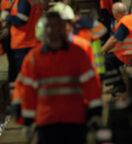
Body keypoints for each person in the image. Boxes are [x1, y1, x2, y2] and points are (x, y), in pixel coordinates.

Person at [17, 11, 103, 144]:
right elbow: (27, 92)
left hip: (73, 119)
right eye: (48, 27)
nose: (52, 30)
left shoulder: (77, 54)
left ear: (63, 28)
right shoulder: (33, 58)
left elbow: (91, 84)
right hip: (48, 121)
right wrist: (27, 121)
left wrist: (96, 111)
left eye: (55, 26)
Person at [6, 0, 44, 76]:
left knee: (25, 76)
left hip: (23, 43)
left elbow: (21, 20)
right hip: (35, 41)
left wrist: (8, 17)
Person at [101, 3, 132, 93]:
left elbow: (114, 39)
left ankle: (119, 85)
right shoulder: (130, 18)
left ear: (118, 14)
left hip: (129, 54)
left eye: (115, 16)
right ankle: (119, 83)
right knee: (110, 57)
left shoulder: (124, 22)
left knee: (104, 60)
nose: (115, 18)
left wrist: (103, 50)